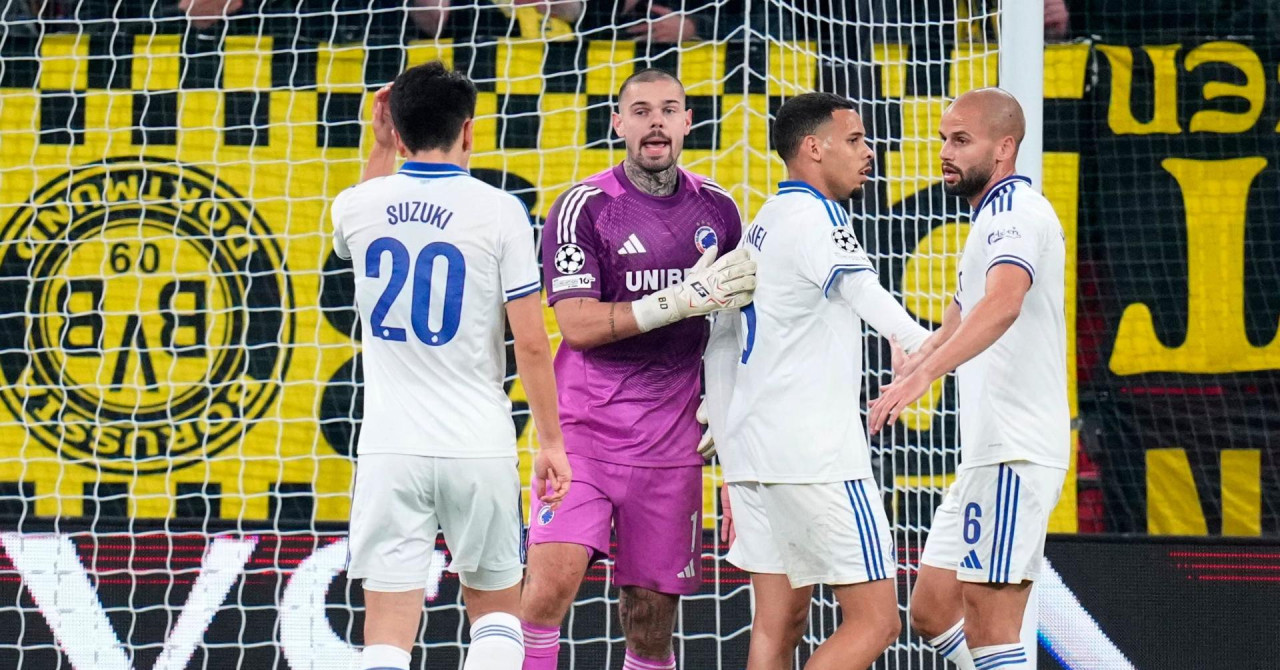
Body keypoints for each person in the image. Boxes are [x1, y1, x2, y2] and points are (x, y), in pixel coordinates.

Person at [334, 62, 572, 670]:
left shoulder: (356, 207)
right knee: (496, 616)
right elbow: (531, 343)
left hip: (390, 450)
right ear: (468, 130)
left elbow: (361, 213)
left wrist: (380, 147)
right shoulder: (501, 211)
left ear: (395, 128)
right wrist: (551, 442)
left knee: (386, 633)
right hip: (478, 444)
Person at [520, 67, 756, 670]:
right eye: (642, 110)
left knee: (651, 624)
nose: (656, 122)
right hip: (585, 436)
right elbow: (576, 325)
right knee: (547, 592)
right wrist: (678, 299)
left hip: (673, 445)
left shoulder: (720, 211)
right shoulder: (584, 207)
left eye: (669, 109)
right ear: (618, 123)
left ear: (687, 122)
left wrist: (729, 428)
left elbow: (734, 330)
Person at [707, 92, 931, 670]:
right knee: (877, 622)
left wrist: (729, 448)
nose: (868, 152)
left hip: (756, 454)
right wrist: (921, 344)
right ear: (813, 148)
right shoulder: (818, 217)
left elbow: (722, 337)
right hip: (817, 458)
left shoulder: (764, 220)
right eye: (854, 140)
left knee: (777, 625)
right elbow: (862, 290)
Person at [867, 87, 1069, 670]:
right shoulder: (987, 221)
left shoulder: (1015, 213)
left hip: (1015, 450)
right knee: (932, 610)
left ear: (1004, 148)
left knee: (992, 625)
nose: (945, 153)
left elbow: (1003, 303)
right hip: (987, 455)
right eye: (943, 140)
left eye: (961, 140)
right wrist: (915, 359)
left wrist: (924, 376)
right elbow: (959, 319)